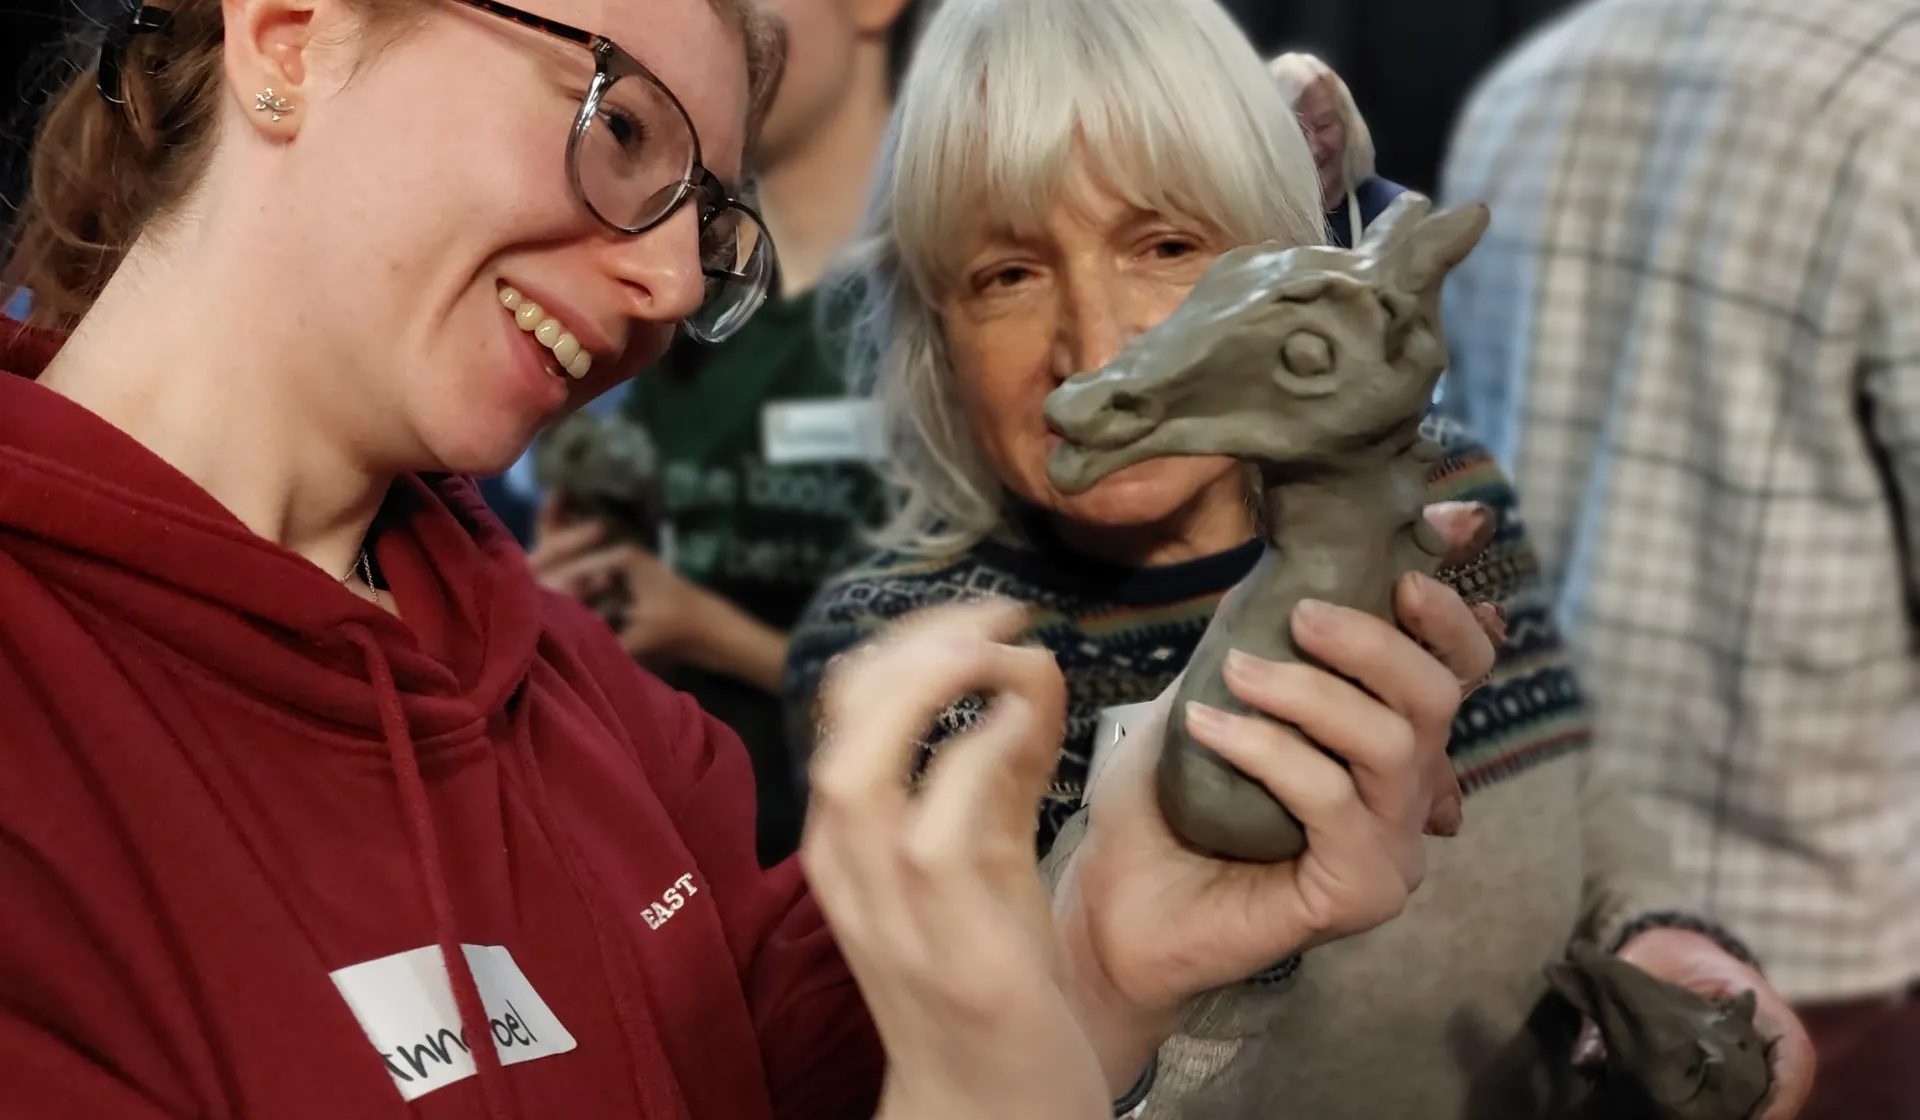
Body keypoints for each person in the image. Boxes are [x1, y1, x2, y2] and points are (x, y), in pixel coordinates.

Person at [0, 0, 1488, 1116]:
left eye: (709, 224)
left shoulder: (594, 715)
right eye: (622, 125)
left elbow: (768, 1067)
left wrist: (1099, 940)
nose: (661, 284)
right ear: (288, 33)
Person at [783, 0, 1812, 1115]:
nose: (1094, 345)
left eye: (1166, 244)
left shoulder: (1441, 490)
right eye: (1006, 275)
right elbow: (999, 1074)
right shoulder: (918, 663)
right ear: (932, 324)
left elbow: (1564, 770)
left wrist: (1655, 939)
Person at [1435, 0, 1920, 1115]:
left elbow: (1448, 487)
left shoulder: (1526, 86)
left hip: (1539, 886)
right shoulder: (1900, 95)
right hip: (1802, 949)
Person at [526, 0, 929, 867]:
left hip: (863, 878)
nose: (726, 30)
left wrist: (711, 631)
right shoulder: (667, 294)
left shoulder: (951, 302)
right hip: (667, 858)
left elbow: (1022, 677)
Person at [1267, 51, 1405, 249]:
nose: (1313, 148)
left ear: (1347, 123)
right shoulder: (1247, 226)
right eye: (1296, 133)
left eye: (1324, 125)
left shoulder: (1395, 213)